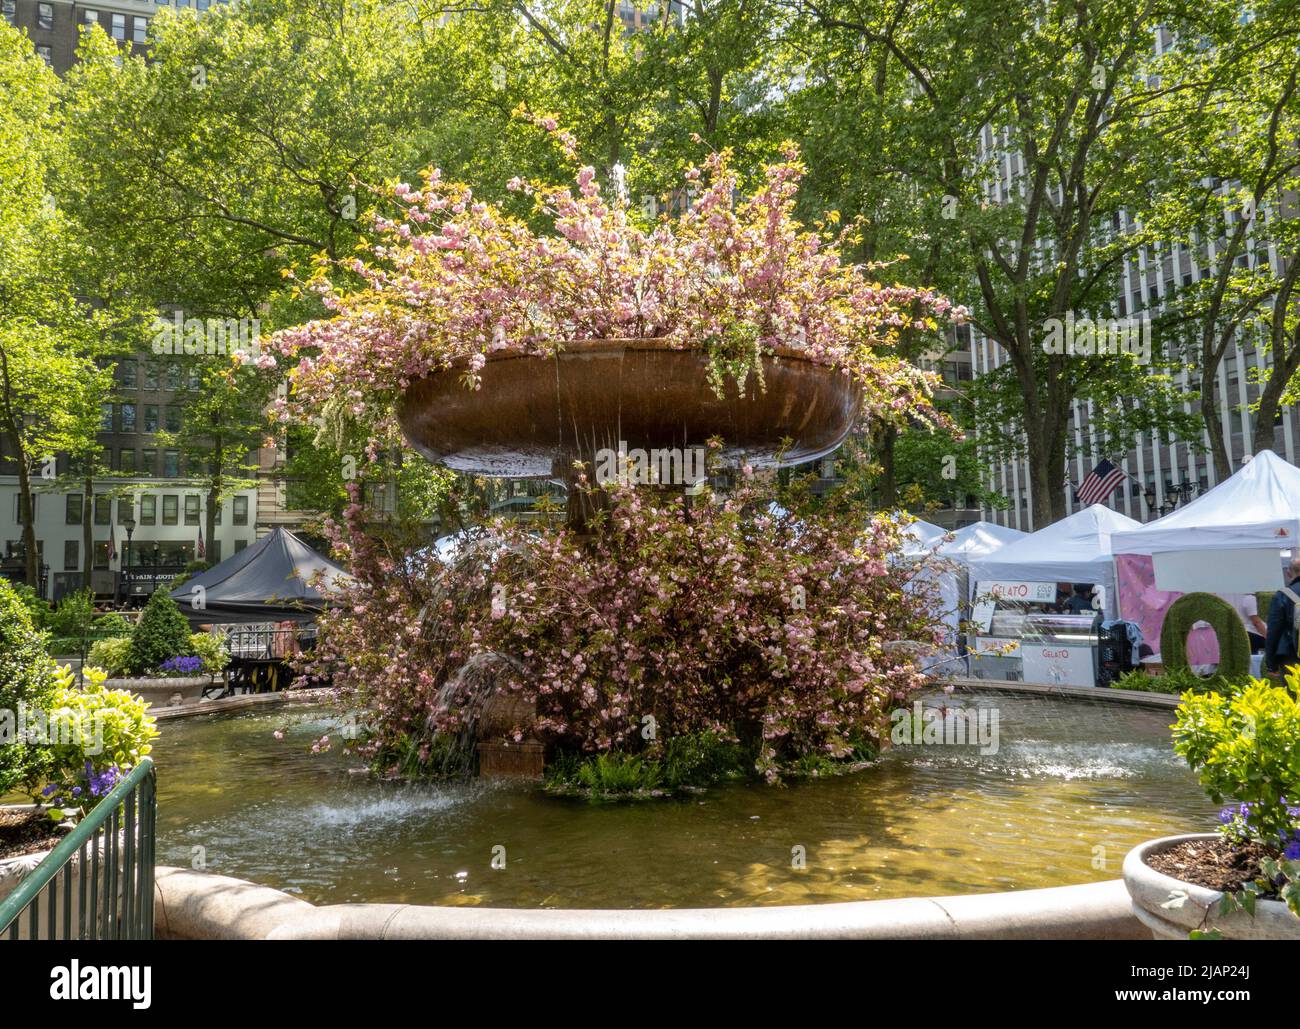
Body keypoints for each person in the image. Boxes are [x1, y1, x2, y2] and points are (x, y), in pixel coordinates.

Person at [1264, 558, 1300, 675]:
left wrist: (1271, 664)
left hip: (1291, 655)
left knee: (1293, 691)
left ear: (1288, 573)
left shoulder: (1283, 595)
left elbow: (1274, 631)